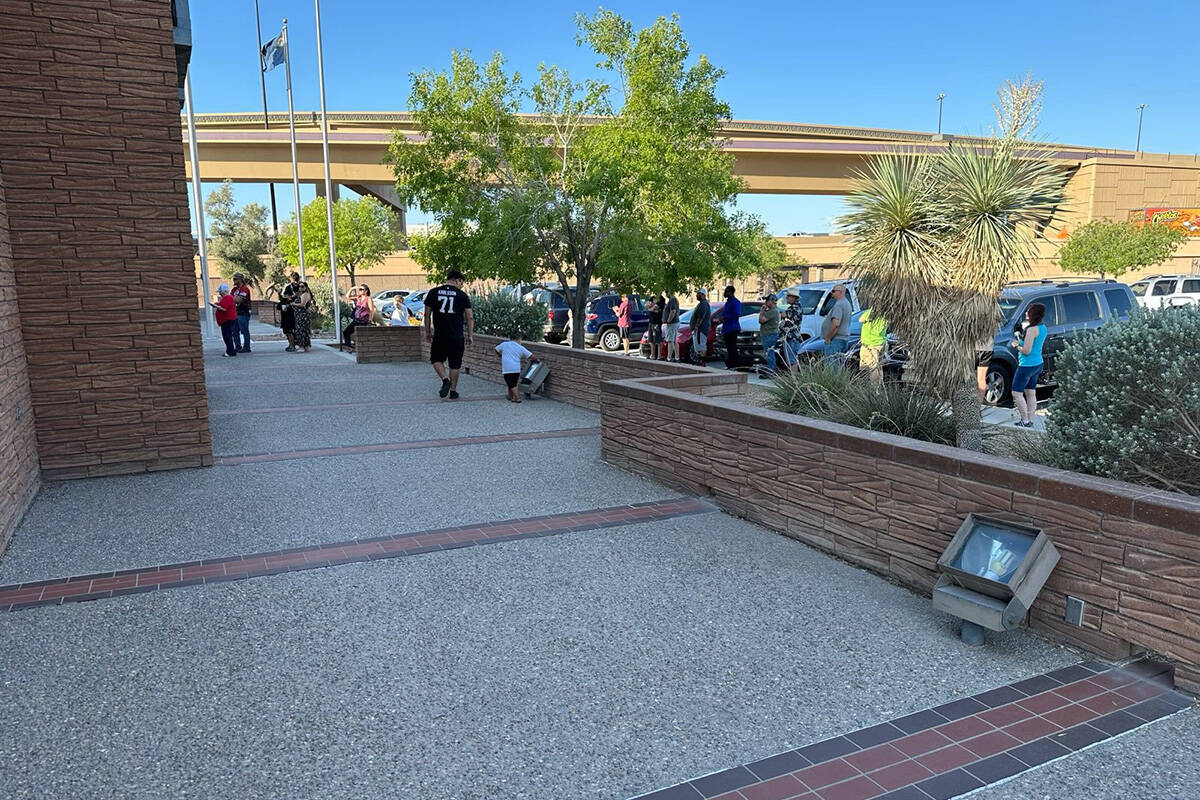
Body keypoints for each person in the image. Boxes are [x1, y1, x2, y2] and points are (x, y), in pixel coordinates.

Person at [425, 269, 474, 399]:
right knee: (455, 363)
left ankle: (445, 379)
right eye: (461, 283)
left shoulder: (433, 292)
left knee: (436, 359)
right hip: (456, 336)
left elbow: (427, 314)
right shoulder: (462, 295)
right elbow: (470, 317)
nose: (461, 285)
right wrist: (470, 335)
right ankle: (453, 391)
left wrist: (428, 332)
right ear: (457, 280)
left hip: (440, 335)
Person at [1010, 302, 1047, 428]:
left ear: (1033, 314)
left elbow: (1026, 350)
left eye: (1029, 311)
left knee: (1016, 393)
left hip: (1027, 365)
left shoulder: (1032, 330)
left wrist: (1017, 346)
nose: (1026, 313)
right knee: (1031, 392)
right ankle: (1030, 420)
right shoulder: (1043, 327)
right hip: (1038, 363)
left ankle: (1024, 420)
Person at [496, 333, 537, 403]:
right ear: (519, 339)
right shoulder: (520, 347)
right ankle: (510, 396)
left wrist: (500, 355)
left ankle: (517, 398)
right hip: (516, 369)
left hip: (507, 368)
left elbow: (496, 349)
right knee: (512, 382)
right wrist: (537, 360)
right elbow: (532, 356)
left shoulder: (504, 344)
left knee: (511, 384)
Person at [820, 283, 853, 370]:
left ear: (841, 292)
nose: (832, 294)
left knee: (831, 368)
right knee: (840, 367)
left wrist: (828, 338)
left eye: (834, 291)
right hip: (843, 339)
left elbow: (835, 324)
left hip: (835, 340)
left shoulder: (839, 305)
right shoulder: (847, 304)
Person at [858, 307, 888, 384]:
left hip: (870, 344)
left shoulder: (873, 311)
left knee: (871, 368)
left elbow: (861, 319)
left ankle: (873, 387)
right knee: (878, 367)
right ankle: (878, 387)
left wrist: (871, 310)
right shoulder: (886, 314)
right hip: (880, 342)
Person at [210, 284, 238, 357]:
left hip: (228, 319)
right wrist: (217, 304)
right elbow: (222, 305)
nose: (219, 293)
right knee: (227, 335)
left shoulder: (228, 297)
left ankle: (230, 351)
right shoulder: (226, 298)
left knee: (227, 336)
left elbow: (223, 308)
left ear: (224, 291)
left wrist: (215, 306)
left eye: (220, 292)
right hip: (226, 320)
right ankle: (230, 350)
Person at [779, 289, 804, 369]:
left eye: (788, 296)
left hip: (791, 337)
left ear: (793, 297)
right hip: (794, 337)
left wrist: (782, 315)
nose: (786, 298)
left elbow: (785, 316)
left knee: (791, 360)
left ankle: (793, 379)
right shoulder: (798, 307)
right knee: (793, 359)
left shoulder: (793, 308)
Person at [758, 294, 781, 376]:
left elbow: (761, 320)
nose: (765, 303)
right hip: (768, 334)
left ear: (771, 301)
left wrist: (762, 311)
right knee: (768, 353)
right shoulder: (773, 311)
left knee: (769, 353)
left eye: (767, 301)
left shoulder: (773, 311)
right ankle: (770, 370)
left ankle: (770, 372)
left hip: (769, 335)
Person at [721, 285, 742, 369]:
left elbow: (737, 314)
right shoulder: (727, 303)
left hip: (732, 328)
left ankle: (735, 365)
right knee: (729, 348)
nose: (724, 293)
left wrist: (725, 317)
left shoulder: (735, 302)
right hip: (726, 328)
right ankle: (730, 365)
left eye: (726, 291)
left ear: (730, 292)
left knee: (732, 347)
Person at [230, 273, 252, 353]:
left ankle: (246, 347)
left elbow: (239, 300)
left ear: (240, 279)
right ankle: (238, 346)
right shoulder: (234, 290)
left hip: (243, 312)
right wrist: (234, 298)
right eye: (233, 279)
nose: (234, 281)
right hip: (234, 313)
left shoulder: (245, 289)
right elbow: (229, 299)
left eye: (235, 279)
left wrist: (234, 298)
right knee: (234, 331)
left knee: (244, 330)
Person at [290, 281, 314, 353]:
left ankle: (302, 346)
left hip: (303, 315)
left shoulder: (306, 294)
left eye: (302, 286)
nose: (300, 288)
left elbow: (302, 304)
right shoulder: (301, 294)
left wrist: (294, 304)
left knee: (301, 330)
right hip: (299, 315)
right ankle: (305, 346)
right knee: (302, 330)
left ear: (306, 287)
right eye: (299, 286)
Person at [280, 272, 300, 351]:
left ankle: (293, 345)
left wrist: (292, 298)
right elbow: (285, 296)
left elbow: (286, 296)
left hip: (294, 310)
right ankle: (292, 344)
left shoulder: (300, 286)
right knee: (289, 330)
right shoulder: (290, 287)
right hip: (290, 310)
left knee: (290, 329)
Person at [691, 289, 711, 366]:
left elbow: (700, 317)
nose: (697, 295)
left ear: (703, 294)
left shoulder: (704, 304)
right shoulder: (701, 304)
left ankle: (702, 362)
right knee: (698, 346)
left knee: (701, 345)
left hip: (701, 329)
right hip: (699, 329)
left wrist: (696, 327)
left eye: (698, 294)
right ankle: (700, 361)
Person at [663, 291, 681, 362]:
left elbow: (673, 311)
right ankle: (677, 357)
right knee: (674, 341)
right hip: (675, 323)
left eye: (667, 292)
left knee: (670, 341)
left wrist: (668, 321)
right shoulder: (674, 299)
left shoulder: (672, 300)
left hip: (672, 323)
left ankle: (669, 358)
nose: (666, 294)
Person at [646, 295, 663, 359]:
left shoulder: (661, 300)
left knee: (658, 340)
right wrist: (651, 307)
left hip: (657, 323)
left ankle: (659, 356)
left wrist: (651, 307)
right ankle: (652, 355)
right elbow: (647, 305)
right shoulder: (652, 297)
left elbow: (652, 309)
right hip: (651, 322)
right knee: (651, 340)